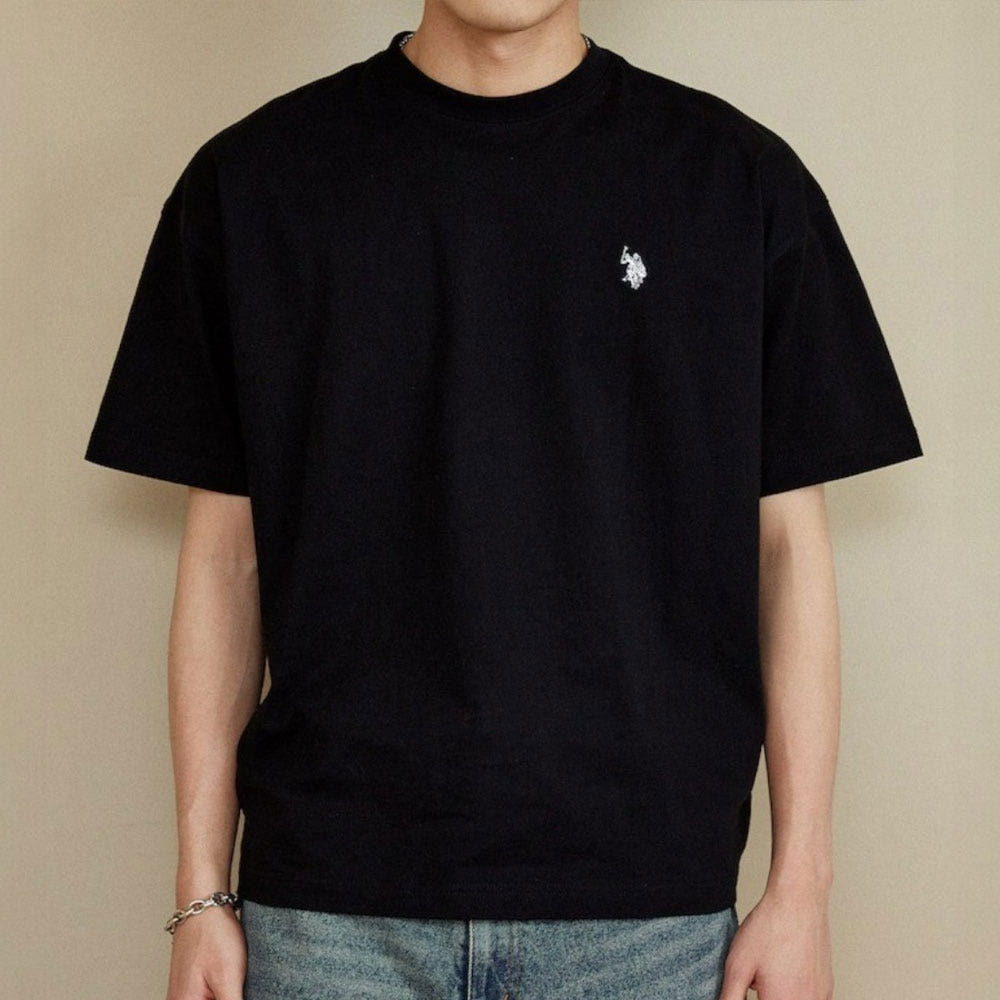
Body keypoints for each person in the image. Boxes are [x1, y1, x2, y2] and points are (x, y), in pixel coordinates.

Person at [83, 2, 923, 998]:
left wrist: (802, 888)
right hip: (328, 918)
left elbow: (787, 552)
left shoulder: (736, 182)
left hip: (646, 923)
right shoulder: (252, 182)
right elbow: (227, 556)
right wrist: (199, 892)